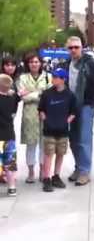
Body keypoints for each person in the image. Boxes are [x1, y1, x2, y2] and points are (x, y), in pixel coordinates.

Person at [65, 36, 94, 186]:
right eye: (71, 47)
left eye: (76, 47)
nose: (73, 50)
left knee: (84, 138)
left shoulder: (89, 62)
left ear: (82, 48)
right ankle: (78, 167)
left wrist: (88, 100)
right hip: (70, 106)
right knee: (73, 139)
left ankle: (85, 171)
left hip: (86, 105)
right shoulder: (66, 63)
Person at [38, 68, 76, 192]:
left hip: (63, 131)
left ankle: (56, 176)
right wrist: (45, 119)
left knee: (60, 153)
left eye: (56, 77)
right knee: (48, 154)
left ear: (63, 79)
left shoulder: (69, 95)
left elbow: (73, 112)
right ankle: (46, 178)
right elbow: (41, 109)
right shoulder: (47, 93)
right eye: (53, 76)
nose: (53, 79)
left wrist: (67, 121)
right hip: (49, 130)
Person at [17, 53, 52, 183]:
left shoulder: (48, 77)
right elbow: (22, 96)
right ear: (27, 64)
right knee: (31, 144)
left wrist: (31, 93)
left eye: (36, 62)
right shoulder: (22, 78)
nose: (34, 64)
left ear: (41, 63)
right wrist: (39, 93)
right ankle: (31, 171)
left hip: (45, 113)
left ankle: (43, 171)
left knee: (44, 143)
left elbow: (48, 95)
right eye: (31, 62)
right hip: (29, 115)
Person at [0, 56, 19, 184]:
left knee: (6, 155)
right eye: (7, 65)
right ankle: (10, 181)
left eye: (13, 64)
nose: (10, 67)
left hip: (6, 125)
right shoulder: (11, 95)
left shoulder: (17, 80)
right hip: (8, 131)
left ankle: (7, 176)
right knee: (9, 156)